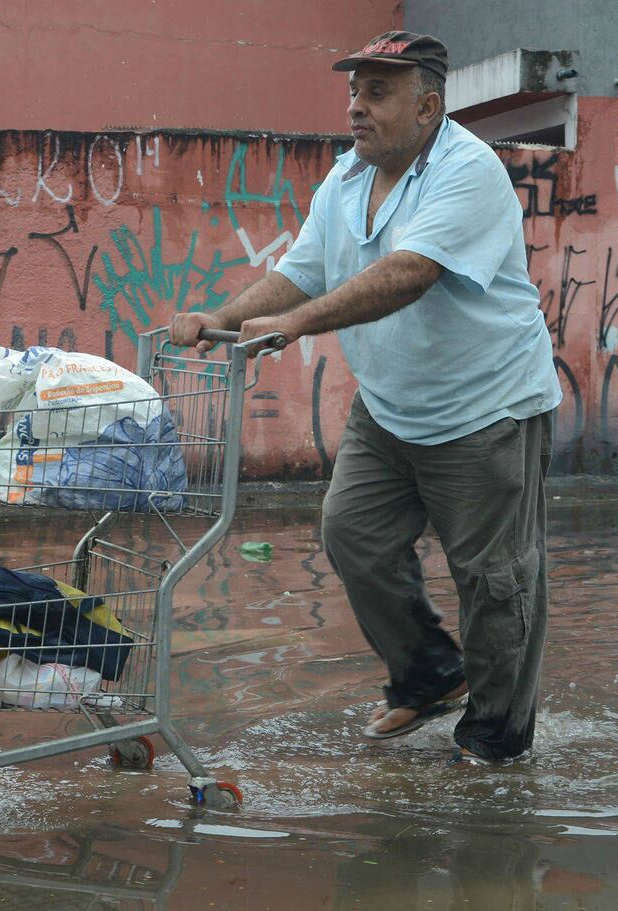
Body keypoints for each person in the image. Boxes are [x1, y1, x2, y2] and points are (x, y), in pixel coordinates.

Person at [171, 31, 561, 765]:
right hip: (390, 410)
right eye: (354, 90)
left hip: (487, 411)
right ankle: (428, 674)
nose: (356, 106)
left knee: (495, 582)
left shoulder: (467, 172)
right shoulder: (347, 179)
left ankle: (494, 743)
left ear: (428, 106)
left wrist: (297, 325)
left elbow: (410, 273)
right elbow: (302, 270)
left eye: (377, 91)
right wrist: (221, 318)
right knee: (351, 533)